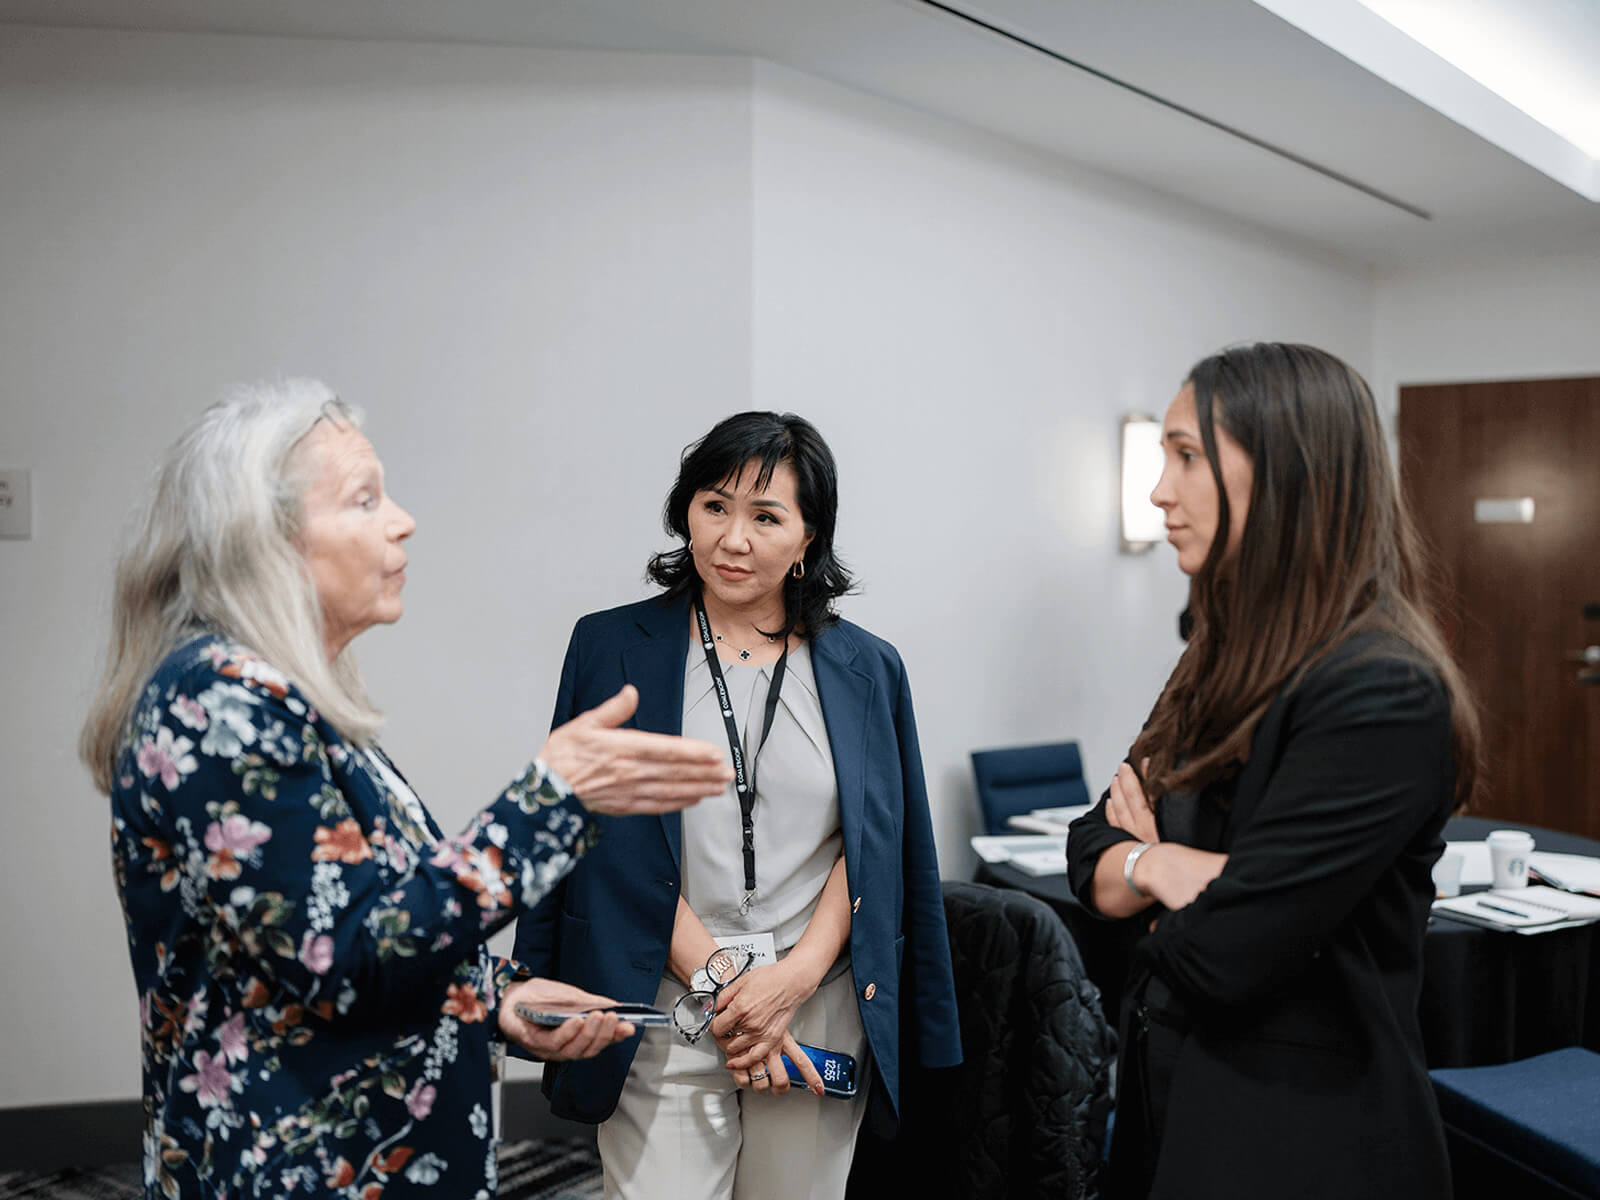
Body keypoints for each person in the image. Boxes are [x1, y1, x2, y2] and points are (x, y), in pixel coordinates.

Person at [80, 380, 734, 1200]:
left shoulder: (283, 696)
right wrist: (549, 798)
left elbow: (344, 917)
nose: (402, 519)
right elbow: (341, 961)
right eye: (365, 499)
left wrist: (498, 996)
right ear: (263, 539)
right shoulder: (218, 700)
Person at [511, 411, 961, 1199]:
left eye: (765, 516)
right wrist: (722, 984)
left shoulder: (867, 669)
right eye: (714, 506)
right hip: (667, 999)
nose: (732, 539)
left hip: (812, 1007)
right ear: (685, 509)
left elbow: (878, 844)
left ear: (808, 537)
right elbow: (603, 838)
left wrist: (791, 981)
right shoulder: (610, 647)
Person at [1066, 343, 1479, 1200]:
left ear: (1288, 473)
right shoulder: (1218, 656)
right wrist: (1163, 867)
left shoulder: (1383, 688)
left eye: (1186, 456)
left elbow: (1226, 954)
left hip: (1299, 1139)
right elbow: (1089, 846)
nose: (1158, 492)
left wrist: (1155, 886)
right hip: (1173, 1109)